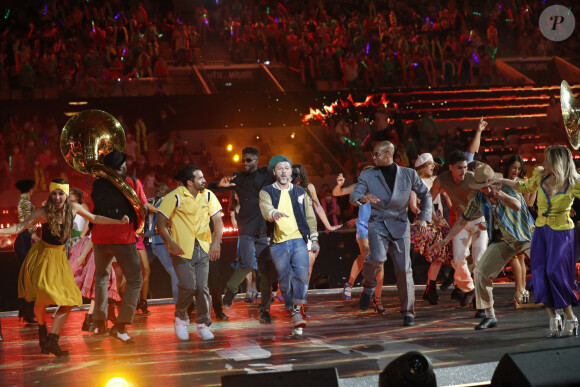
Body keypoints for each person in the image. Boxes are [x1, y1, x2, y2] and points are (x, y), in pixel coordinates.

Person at [0, 178, 129, 356]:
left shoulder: (74, 209)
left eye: (61, 193)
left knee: (69, 300)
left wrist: (118, 221)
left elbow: (94, 219)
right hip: (43, 258)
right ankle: (43, 331)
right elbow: (18, 227)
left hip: (60, 258)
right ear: (51, 195)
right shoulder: (43, 212)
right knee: (42, 299)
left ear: (66, 195)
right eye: (55, 193)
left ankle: (52, 339)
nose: (58, 197)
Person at [488, 145, 579, 337]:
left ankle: (570, 316)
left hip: (561, 233)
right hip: (540, 231)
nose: (542, 163)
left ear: (557, 163)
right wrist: (500, 180)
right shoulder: (540, 174)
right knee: (539, 274)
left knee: (555, 272)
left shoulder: (574, 182)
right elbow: (524, 187)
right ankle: (553, 318)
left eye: (547, 160)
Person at [430, 163, 534, 330]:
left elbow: (517, 205)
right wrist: (445, 240)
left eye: (486, 186)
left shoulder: (507, 188)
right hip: (502, 240)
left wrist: (499, 194)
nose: (484, 190)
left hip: (524, 236)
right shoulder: (478, 197)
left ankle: (560, 311)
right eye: (481, 187)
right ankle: (489, 315)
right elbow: (463, 220)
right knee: (480, 272)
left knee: (546, 269)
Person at [350, 141, 432, 327]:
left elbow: (426, 195)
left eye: (376, 155)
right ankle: (369, 286)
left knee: (404, 269)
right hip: (378, 224)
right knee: (377, 258)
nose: (373, 158)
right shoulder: (368, 175)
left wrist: (423, 218)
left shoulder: (408, 174)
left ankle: (408, 311)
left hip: (401, 225)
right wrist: (363, 198)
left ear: (388, 154)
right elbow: (354, 196)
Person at [91, 150, 156, 343]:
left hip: (100, 237)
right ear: (120, 166)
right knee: (136, 280)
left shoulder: (97, 183)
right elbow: (143, 206)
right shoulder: (131, 181)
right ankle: (121, 325)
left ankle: (99, 323)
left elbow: (92, 209)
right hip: (124, 237)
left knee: (101, 278)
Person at [156, 165, 223, 341]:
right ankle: (180, 319)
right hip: (181, 249)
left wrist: (216, 243)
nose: (204, 180)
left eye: (203, 177)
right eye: (200, 178)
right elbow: (160, 224)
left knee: (202, 288)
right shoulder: (174, 196)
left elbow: (217, 221)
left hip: (203, 247)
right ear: (189, 182)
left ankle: (202, 325)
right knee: (188, 286)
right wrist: (170, 243)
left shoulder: (208, 195)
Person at [213, 146, 276, 324]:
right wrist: (219, 185)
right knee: (247, 264)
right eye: (243, 160)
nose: (245, 163)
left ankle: (264, 311)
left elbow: (285, 174)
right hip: (246, 229)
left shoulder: (266, 174)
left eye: (249, 160)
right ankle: (231, 289)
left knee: (266, 270)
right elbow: (214, 188)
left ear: (256, 159)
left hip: (263, 229)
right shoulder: (238, 177)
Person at [429, 118, 487, 308]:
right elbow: (428, 201)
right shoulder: (442, 180)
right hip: (461, 222)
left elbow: (492, 198)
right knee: (458, 260)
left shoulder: (473, 177)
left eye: (465, 166)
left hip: (479, 221)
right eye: (459, 167)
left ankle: (479, 296)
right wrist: (428, 218)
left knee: (479, 260)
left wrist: (491, 219)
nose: (463, 170)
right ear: (451, 167)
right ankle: (469, 288)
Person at [259, 155, 319, 335]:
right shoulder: (266, 191)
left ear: (291, 170)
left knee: (301, 275)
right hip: (278, 243)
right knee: (285, 282)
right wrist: (274, 213)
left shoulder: (300, 192)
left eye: (287, 168)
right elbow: (265, 208)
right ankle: (291, 306)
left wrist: (314, 238)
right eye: (280, 168)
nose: (284, 171)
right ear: (274, 172)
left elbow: (310, 216)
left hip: (299, 240)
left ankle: (296, 313)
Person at [333, 166, 387, 314]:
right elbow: (337, 193)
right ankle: (352, 285)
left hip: (378, 228)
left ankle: (377, 299)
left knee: (378, 264)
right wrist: (339, 184)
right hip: (363, 228)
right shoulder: (358, 187)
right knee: (366, 255)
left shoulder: (382, 187)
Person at [408, 153, 453, 305]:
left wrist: (445, 217)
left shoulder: (435, 180)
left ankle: (430, 287)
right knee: (436, 254)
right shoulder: (416, 182)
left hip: (439, 219)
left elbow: (443, 199)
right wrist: (423, 215)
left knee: (440, 255)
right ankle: (431, 288)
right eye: (430, 164)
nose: (433, 166)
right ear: (422, 166)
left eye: (433, 164)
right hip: (425, 221)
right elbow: (413, 206)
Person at [502, 155, 537, 305]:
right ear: (508, 168)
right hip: (508, 221)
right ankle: (522, 291)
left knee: (516, 257)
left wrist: (534, 186)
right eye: (513, 168)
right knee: (518, 257)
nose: (516, 171)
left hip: (520, 222)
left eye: (518, 168)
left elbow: (529, 203)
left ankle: (519, 291)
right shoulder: (501, 182)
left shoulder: (523, 182)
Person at [144, 183, 180, 303]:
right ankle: (140, 299)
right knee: (140, 271)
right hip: (151, 242)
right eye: (158, 188)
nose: (159, 190)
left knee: (174, 271)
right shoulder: (151, 201)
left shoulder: (166, 201)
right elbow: (143, 205)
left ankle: (182, 302)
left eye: (162, 189)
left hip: (157, 241)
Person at [14, 179, 39, 324]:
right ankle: (27, 312)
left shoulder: (21, 200)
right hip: (25, 239)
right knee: (28, 277)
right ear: (30, 189)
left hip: (22, 239)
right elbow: (27, 220)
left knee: (26, 277)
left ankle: (26, 311)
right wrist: (33, 233)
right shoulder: (26, 202)